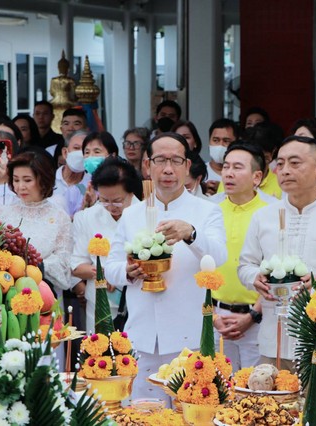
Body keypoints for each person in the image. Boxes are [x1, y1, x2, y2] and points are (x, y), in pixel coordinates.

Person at [105, 132, 227, 400]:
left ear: (187, 166)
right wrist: (127, 272)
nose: (168, 169)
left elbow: (219, 257)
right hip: (142, 335)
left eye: (176, 161)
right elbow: (111, 266)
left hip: (189, 336)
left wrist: (191, 233)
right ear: (147, 166)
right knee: (143, 411)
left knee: (189, 411)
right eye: (160, 160)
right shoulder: (131, 214)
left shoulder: (206, 211)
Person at [238, 135, 316, 371]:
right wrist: (255, 278)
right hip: (273, 340)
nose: (285, 170)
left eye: (295, 163)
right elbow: (245, 265)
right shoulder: (263, 217)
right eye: (280, 163)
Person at [212, 142, 268, 370]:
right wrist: (213, 316)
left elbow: (277, 271)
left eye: (237, 167)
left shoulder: (270, 212)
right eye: (226, 167)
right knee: (216, 385)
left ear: (257, 177)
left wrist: (253, 315)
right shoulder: (210, 210)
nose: (229, 173)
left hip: (257, 319)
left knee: (254, 385)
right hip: (215, 318)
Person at [71, 157, 142, 332]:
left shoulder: (146, 214)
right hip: (100, 305)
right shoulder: (87, 217)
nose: (110, 207)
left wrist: (120, 274)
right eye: (104, 200)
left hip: (139, 304)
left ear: (131, 192)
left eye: (117, 200)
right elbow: (77, 265)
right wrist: (104, 273)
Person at [0, 149, 73, 303]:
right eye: (16, 180)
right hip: (6, 295)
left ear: (43, 180)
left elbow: (64, 265)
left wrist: (30, 266)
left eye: (27, 180)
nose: (20, 186)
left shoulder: (59, 217)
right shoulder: (3, 213)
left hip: (44, 296)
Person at [55, 130, 91, 217]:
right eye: (76, 148)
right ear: (65, 153)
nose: (81, 154)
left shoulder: (92, 185)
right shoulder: (48, 180)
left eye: (85, 151)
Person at [206, 118, 239, 196]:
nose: (220, 145)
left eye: (226, 141)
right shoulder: (200, 173)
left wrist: (221, 188)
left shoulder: (241, 173)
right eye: (215, 140)